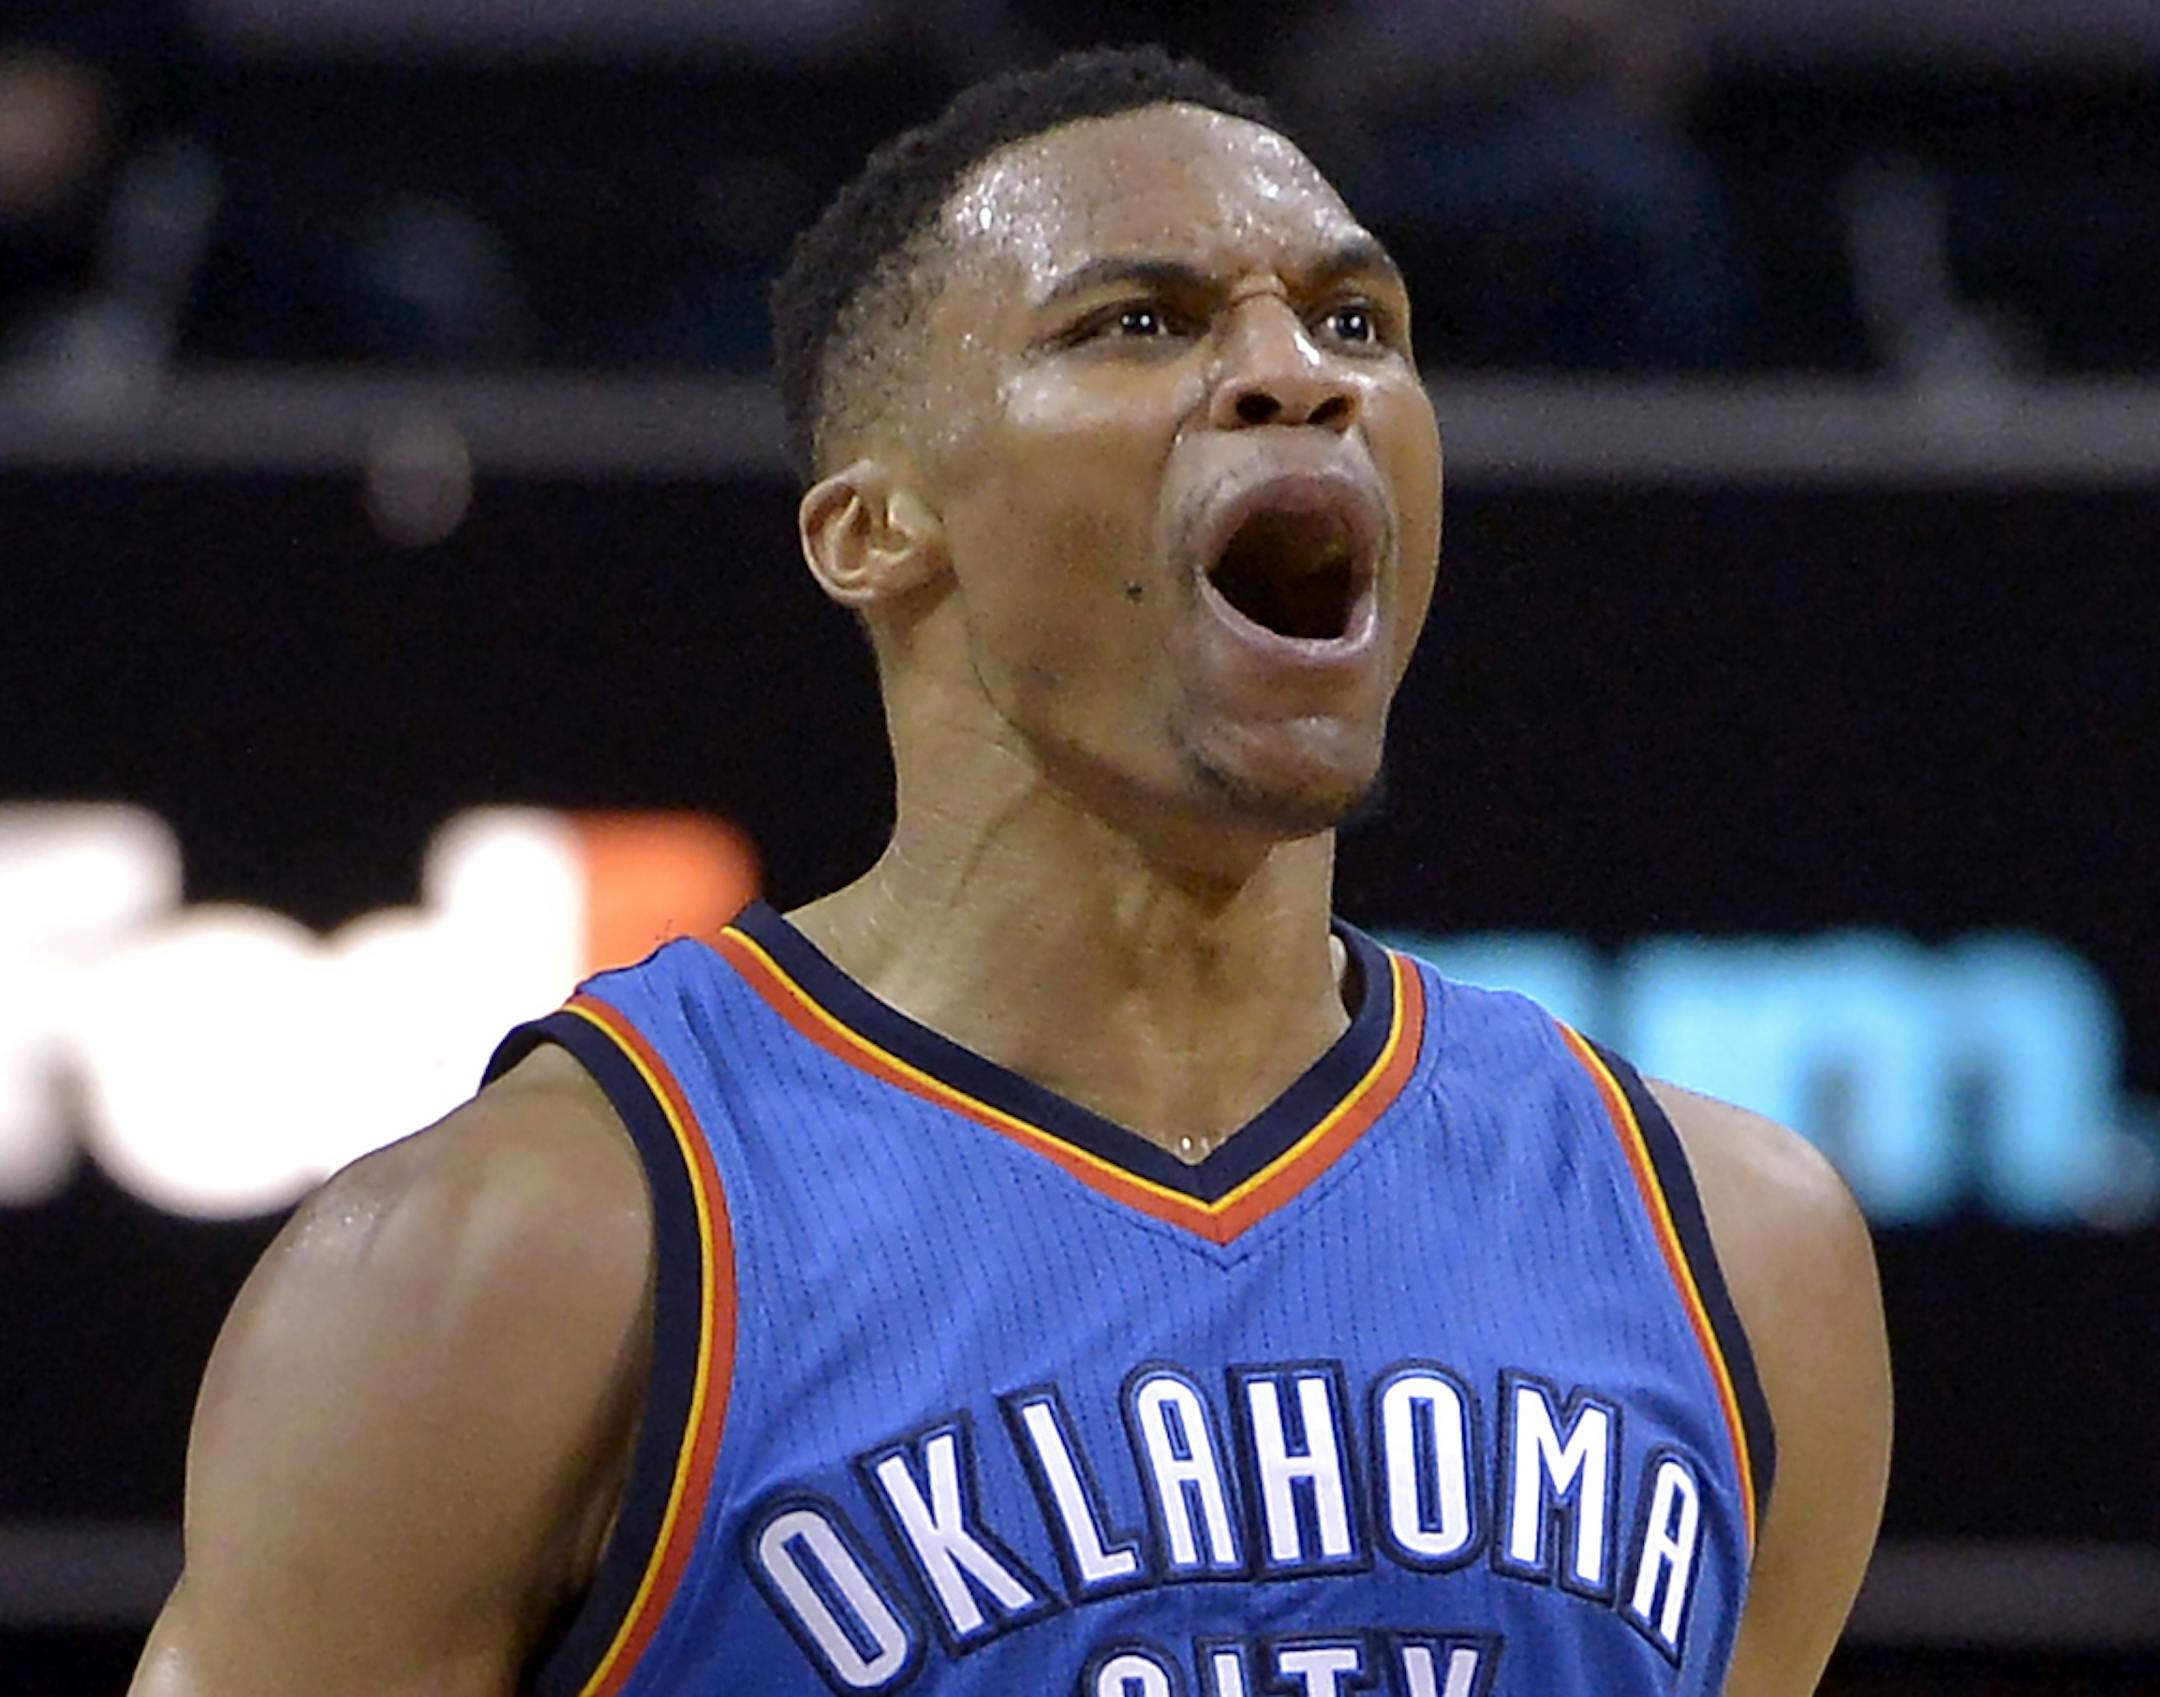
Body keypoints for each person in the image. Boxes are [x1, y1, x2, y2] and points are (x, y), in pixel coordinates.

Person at [128, 45, 1889, 1697]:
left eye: (1358, 317)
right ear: (874, 526)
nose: (1305, 371)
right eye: (1139, 320)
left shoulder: (1734, 1249)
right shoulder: (511, 1260)